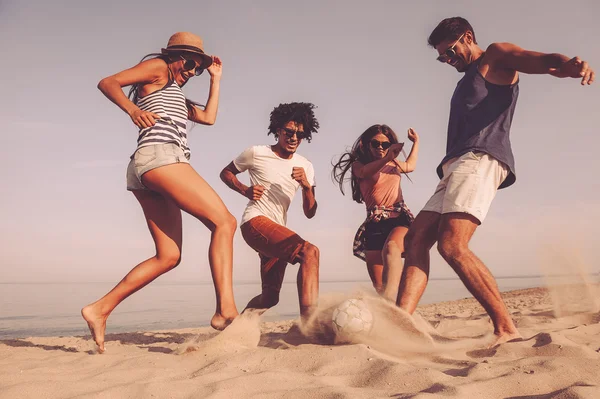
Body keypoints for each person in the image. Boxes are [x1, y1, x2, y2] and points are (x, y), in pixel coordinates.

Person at [397, 17, 595, 345]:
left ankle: (506, 327)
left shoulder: (493, 56)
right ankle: (401, 321)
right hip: (455, 165)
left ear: (468, 36)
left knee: (452, 245)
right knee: (416, 239)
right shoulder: (469, 77)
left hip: (481, 157)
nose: (448, 60)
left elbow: (537, 60)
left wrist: (566, 65)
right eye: (442, 57)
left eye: (450, 51)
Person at [82, 32, 240, 353]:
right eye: (191, 63)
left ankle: (99, 309)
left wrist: (215, 79)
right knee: (224, 222)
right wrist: (131, 110)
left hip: (146, 167)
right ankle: (225, 311)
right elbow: (108, 82)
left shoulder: (178, 95)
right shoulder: (158, 69)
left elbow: (208, 118)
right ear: (174, 55)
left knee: (168, 256)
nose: (192, 71)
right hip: (161, 156)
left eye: (198, 68)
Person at [220, 102, 320, 323]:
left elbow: (310, 212)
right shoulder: (257, 153)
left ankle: (236, 328)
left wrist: (306, 186)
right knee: (309, 252)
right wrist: (245, 190)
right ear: (278, 130)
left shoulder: (306, 166)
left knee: (270, 297)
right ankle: (310, 325)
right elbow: (226, 173)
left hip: (276, 230)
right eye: (289, 132)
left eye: (300, 134)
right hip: (255, 222)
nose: (294, 138)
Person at [332, 125, 419, 301]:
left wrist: (416, 142)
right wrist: (388, 157)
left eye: (385, 145)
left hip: (398, 219)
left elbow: (410, 165)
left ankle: (400, 305)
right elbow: (365, 172)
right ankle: (390, 312)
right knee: (380, 288)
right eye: (376, 143)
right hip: (374, 224)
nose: (380, 147)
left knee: (392, 248)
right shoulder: (359, 165)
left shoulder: (393, 164)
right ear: (366, 145)